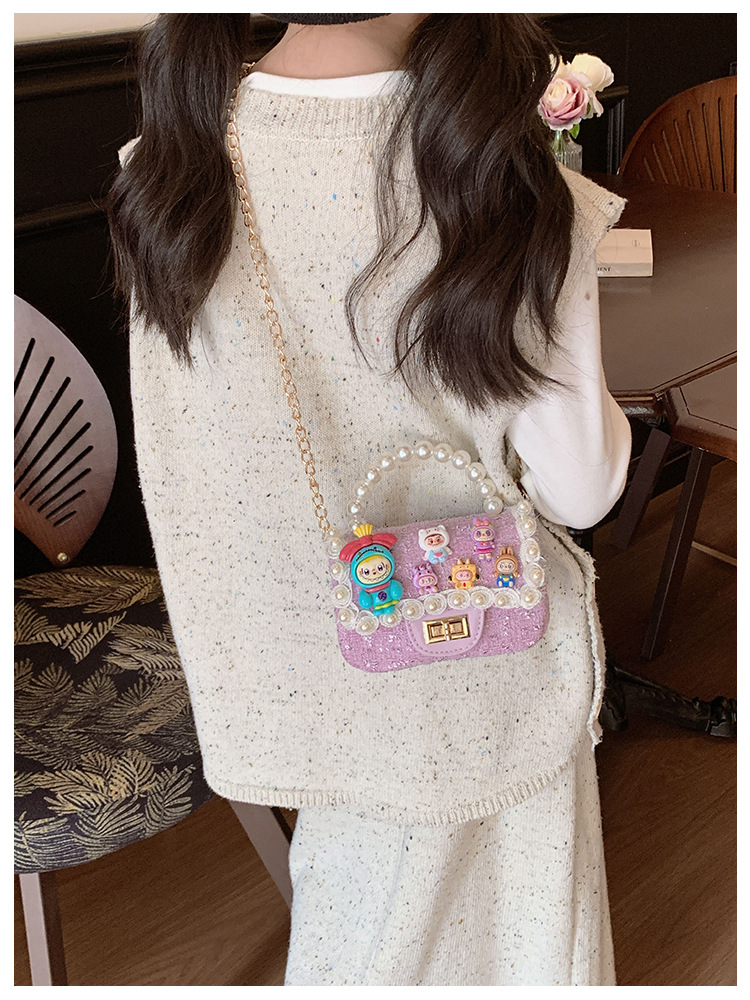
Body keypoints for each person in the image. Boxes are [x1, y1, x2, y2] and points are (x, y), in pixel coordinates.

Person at [108, 13, 631, 986]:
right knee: (524, 943)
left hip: (315, 672)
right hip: (495, 661)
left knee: (360, 936)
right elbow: (584, 486)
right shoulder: (506, 181)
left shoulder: (167, 175)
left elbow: (197, 474)